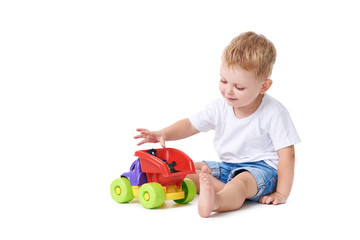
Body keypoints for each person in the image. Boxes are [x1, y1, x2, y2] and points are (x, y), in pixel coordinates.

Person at [134, 31, 300, 218]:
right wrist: (164, 133)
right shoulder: (219, 107)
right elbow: (190, 124)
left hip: (261, 170)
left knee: (241, 183)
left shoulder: (274, 112)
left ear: (264, 86)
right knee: (186, 169)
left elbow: (288, 154)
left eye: (239, 87)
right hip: (228, 166)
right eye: (223, 80)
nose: (228, 91)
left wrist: (281, 193)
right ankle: (221, 190)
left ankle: (217, 201)